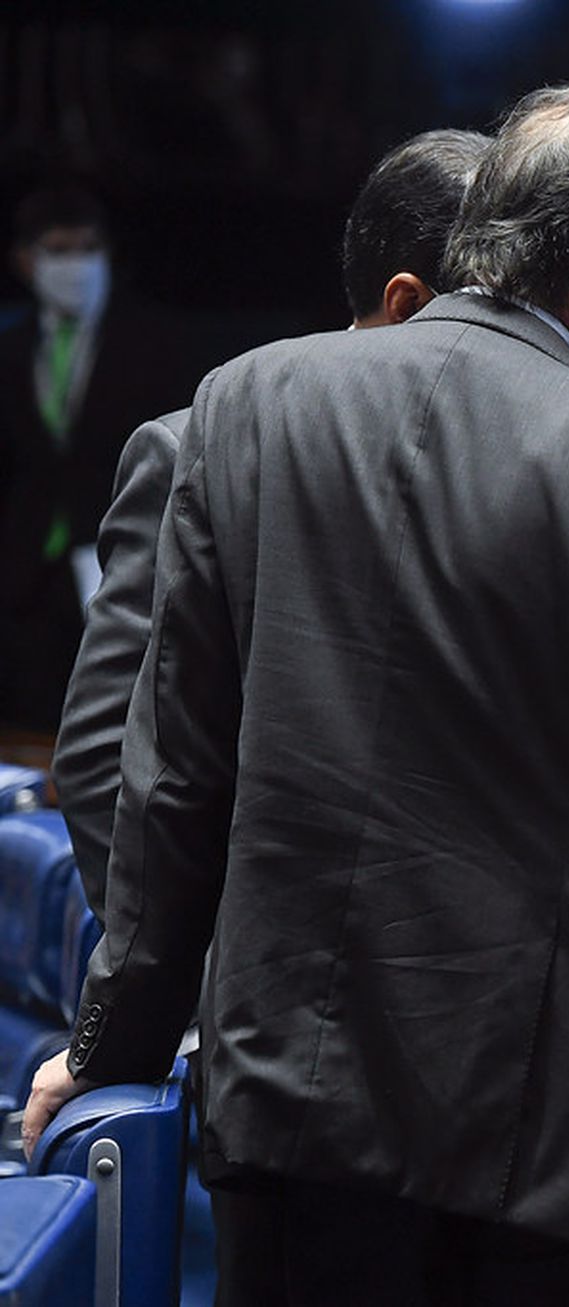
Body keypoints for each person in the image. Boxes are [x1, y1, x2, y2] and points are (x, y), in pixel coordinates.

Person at [24, 80, 569, 1306]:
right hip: (552, 1152)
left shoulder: (247, 405)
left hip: (294, 1120)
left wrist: (106, 1049)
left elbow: (170, 791)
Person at [53, 127, 492, 911]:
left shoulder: (514, 475)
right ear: (408, 304)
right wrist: (193, 976)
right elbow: (101, 757)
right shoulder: (194, 452)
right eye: (499, 323)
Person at [0, 182, 202, 733]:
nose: (76, 265)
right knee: (30, 716)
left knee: (113, 719)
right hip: (28, 567)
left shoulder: (154, 342)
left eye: (87, 249)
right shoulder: (12, 348)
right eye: (59, 251)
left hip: (119, 557)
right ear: (26, 260)